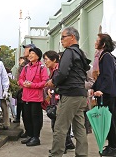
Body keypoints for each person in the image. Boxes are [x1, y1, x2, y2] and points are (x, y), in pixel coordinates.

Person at [46, 26, 89, 157]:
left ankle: (56, 154)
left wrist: (53, 81)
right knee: (79, 128)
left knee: (60, 127)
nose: (61, 40)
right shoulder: (81, 53)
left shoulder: (69, 52)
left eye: (63, 37)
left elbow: (63, 72)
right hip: (81, 94)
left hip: (70, 94)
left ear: (72, 37)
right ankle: (82, 154)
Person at [92, 33, 116, 156]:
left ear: (103, 44)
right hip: (106, 93)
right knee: (107, 121)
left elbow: (108, 76)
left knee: (109, 121)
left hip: (108, 94)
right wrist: (94, 88)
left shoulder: (106, 56)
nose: (95, 42)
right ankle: (111, 146)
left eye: (97, 40)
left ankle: (113, 148)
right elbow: (101, 77)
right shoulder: (102, 56)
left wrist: (101, 90)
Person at [43, 50, 75, 154]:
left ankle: (61, 146)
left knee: (57, 125)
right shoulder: (52, 71)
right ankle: (68, 143)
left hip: (61, 101)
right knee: (62, 123)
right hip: (55, 100)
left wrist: (53, 89)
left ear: (54, 60)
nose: (45, 62)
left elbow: (60, 85)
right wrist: (48, 89)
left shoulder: (59, 71)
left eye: (46, 59)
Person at [18, 47, 48, 146]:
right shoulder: (26, 67)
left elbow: (44, 82)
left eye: (33, 54)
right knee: (26, 117)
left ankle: (36, 137)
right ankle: (30, 135)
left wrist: (32, 85)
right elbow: (21, 78)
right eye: (30, 53)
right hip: (26, 96)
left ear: (38, 56)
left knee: (35, 117)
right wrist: (24, 83)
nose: (30, 55)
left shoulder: (42, 68)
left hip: (36, 97)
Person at [14, 44, 36, 139]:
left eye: (26, 49)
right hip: (21, 91)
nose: (25, 50)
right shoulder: (25, 63)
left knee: (31, 115)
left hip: (28, 92)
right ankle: (28, 132)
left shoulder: (32, 64)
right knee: (25, 114)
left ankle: (33, 134)